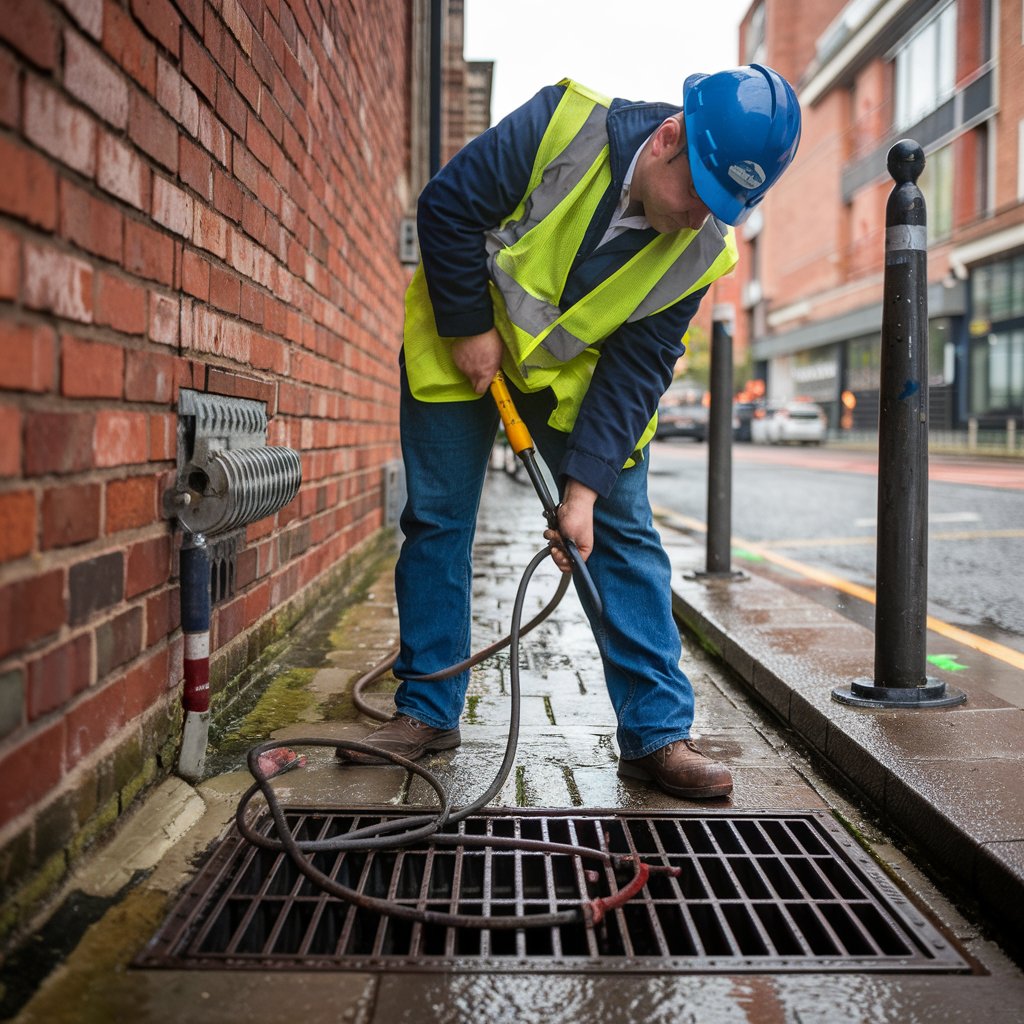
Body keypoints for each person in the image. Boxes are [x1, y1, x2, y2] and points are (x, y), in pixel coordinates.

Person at [338, 66, 801, 799]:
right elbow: (448, 206)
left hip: (569, 381)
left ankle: (655, 735)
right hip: (464, 346)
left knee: (621, 531)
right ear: (667, 140)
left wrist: (583, 490)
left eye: (721, 206)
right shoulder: (562, 124)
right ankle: (426, 710)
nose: (698, 217)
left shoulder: (703, 247)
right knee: (437, 520)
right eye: (696, 194)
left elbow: (639, 366)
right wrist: (468, 328)